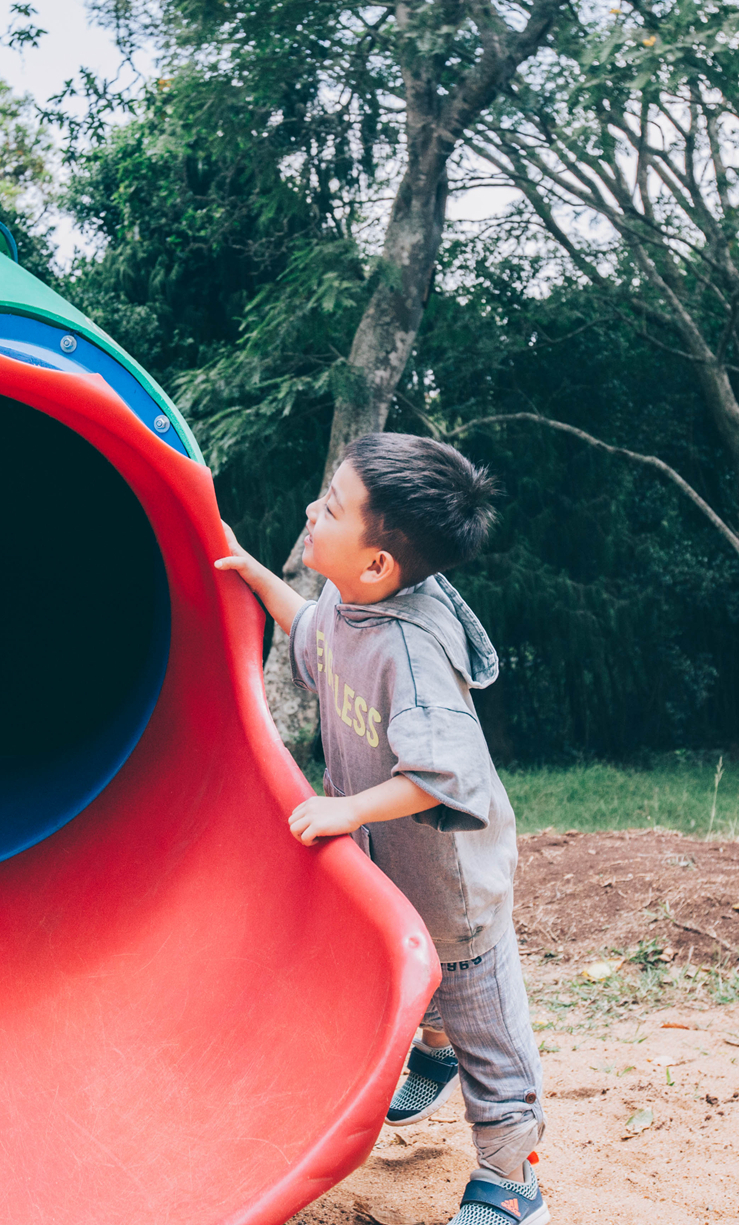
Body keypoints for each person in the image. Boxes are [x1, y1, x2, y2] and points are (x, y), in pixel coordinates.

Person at [215, 432, 548, 1225]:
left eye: (330, 507)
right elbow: (315, 641)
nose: (310, 510)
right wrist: (258, 576)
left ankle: (514, 1181)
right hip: (394, 869)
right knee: (411, 962)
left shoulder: (413, 647)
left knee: (487, 1028)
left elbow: (447, 772)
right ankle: (433, 1051)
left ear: (377, 565)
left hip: (455, 887)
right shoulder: (348, 603)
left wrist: (349, 808)